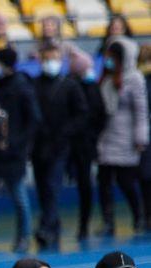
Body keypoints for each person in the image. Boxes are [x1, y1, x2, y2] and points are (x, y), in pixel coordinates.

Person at [33, 40, 87, 251]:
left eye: (54, 58)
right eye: (47, 59)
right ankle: (53, 224)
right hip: (39, 146)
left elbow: (81, 114)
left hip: (60, 145)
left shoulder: (69, 85)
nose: (50, 63)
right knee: (42, 188)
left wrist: (66, 131)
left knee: (53, 186)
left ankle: (46, 227)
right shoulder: (35, 84)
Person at [0, 48, 39, 255]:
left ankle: (24, 237)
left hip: (14, 153)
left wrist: (18, 143)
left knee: (19, 196)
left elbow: (33, 119)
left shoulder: (21, 87)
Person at [97, 37, 147, 236]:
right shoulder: (106, 78)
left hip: (126, 137)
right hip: (107, 136)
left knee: (126, 182)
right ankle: (108, 221)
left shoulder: (134, 78)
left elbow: (141, 109)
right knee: (104, 181)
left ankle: (138, 216)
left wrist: (140, 137)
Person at [70, 51, 104, 241]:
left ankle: (84, 224)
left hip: (85, 145)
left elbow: (99, 115)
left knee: (85, 184)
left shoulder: (92, 88)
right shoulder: (69, 86)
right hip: (70, 144)